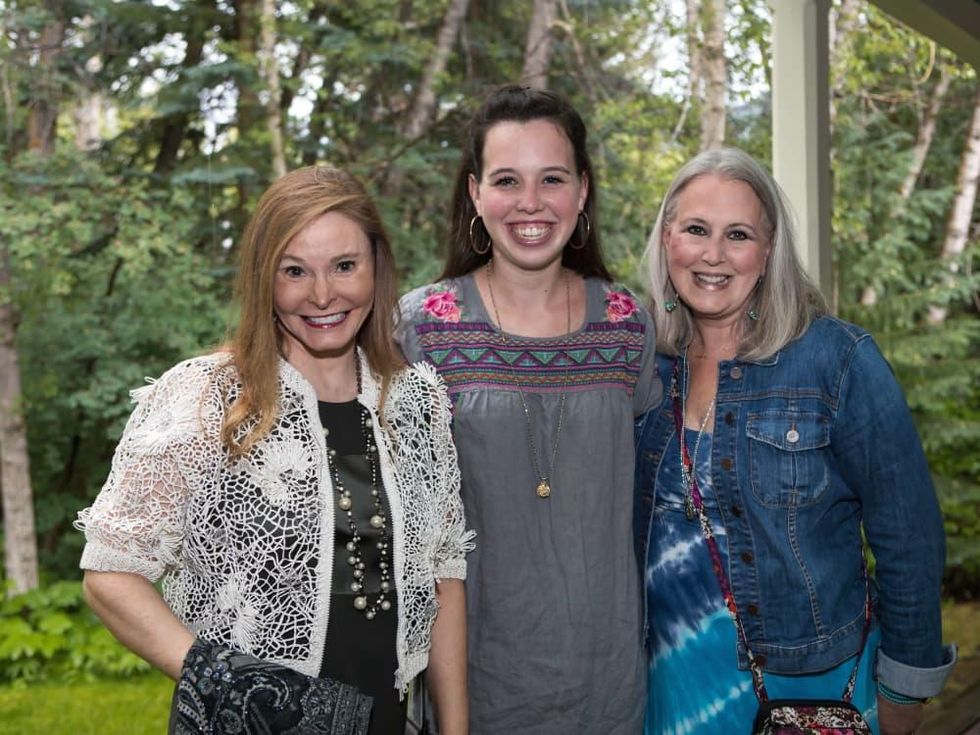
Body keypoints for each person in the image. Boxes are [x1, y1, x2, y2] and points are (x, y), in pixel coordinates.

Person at [77, 166, 472, 735]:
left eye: (344, 265)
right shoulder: (204, 399)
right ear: (265, 277)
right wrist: (232, 688)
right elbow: (109, 574)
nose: (322, 294)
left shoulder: (415, 403)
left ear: (376, 267)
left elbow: (444, 576)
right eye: (295, 271)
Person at [634, 147, 956, 735]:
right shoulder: (643, 367)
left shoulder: (837, 362)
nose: (713, 254)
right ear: (666, 241)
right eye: (696, 230)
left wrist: (904, 693)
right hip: (667, 686)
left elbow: (909, 541)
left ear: (769, 250)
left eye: (738, 235)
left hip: (812, 691)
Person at [396, 84, 660, 734]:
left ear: (583, 191)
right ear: (475, 193)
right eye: (508, 180)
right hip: (472, 688)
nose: (531, 203)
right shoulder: (419, 328)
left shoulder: (630, 325)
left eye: (553, 178)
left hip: (609, 685)